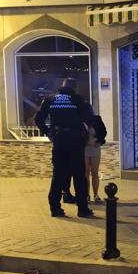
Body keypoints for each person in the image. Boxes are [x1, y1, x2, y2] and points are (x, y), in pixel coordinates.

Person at [34, 78, 94, 218]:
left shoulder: (50, 99)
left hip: (59, 141)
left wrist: (48, 132)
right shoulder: (78, 100)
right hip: (76, 142)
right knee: (79, 177)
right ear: (74, 87)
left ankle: (55, 209)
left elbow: (38, 119)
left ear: (62, 86)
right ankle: (82, 209)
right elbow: (90, 119)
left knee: (58, 176)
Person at [84, 105, 107, 203]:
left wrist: (96, 139)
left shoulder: (97, 119)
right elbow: (77, 133)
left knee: (95, 173)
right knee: (85, 173)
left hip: (95, 147)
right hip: (84, 148)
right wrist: (85, 140)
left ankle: (96, 195)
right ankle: (87, 195)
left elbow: (103, 132)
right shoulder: (80, 120)